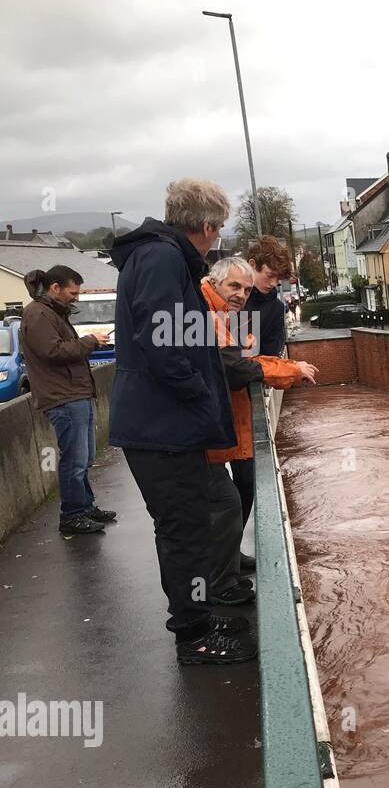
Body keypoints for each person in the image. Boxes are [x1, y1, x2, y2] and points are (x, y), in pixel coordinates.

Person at [109, 178, 255, 665]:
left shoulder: (158, 256)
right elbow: (164, 343)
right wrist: (198, 395)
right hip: (162, 427)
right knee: (184, 532)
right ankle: (193, 638)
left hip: (166, 425)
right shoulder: (163, 258)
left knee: (197, 520)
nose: (217, 240)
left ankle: (199, 616)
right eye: (219, 231)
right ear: (208, 226)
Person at [199, 256, 316, 604]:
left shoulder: (224, 314)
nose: (241, 294)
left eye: (246, 289)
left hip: (212, 425)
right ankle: (218, 588)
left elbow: (248, 358)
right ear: (215, 281)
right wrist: (289, 370)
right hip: (196, 428)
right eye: (234, 286)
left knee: (231, 497)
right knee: (223, 503)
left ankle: (226, 567)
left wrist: (287, 367)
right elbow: (234, 367)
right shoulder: (206, 314)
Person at [19, 266, 115, 535]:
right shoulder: (38, 313)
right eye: (74, 292)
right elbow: (53, 351)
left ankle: (84, 506)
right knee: (74, 459)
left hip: (74, 394)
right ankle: (72, 514)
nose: (77, 298)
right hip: (63, 397)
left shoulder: (50, 311)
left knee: (84, 458)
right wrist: (90, 341)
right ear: (55, 288)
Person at [229, 236, 294, 552]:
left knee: (245, 483)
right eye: (269, 276)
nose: (273, 284)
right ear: (252, 265)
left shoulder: (274, 308)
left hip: (244, 403)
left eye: (278, 279)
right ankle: (222, 562)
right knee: (213, 492)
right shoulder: (224, 292)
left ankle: (231, 554)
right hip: (211, 402)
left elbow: (269, 358)